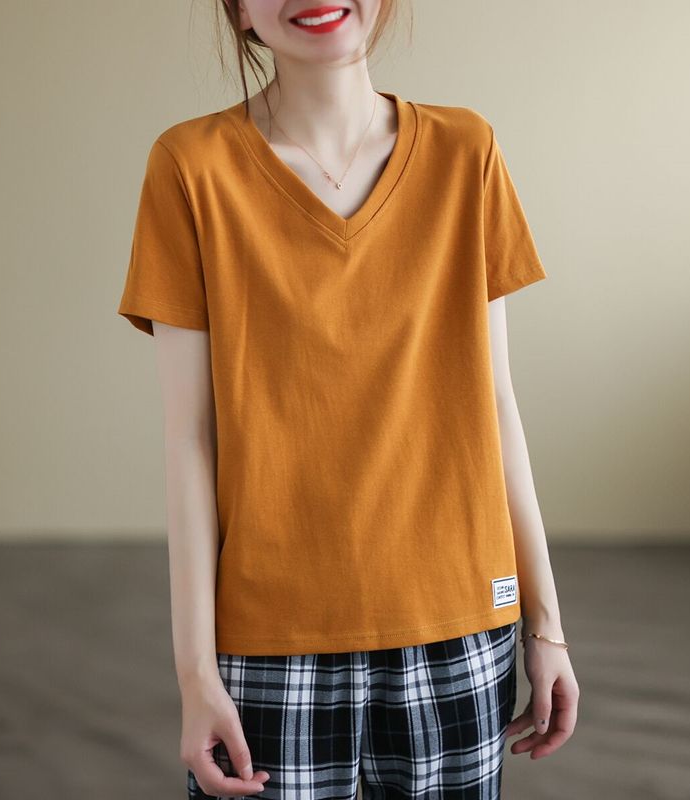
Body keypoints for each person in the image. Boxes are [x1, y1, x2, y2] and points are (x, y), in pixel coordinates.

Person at [117, 1, 579, 797]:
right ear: (239, 10)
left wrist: (548, 626)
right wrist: (196, 674)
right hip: (268, 640)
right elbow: (190, 439)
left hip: (461, 624)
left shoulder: (466, 149)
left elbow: (495, 404)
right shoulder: (190, 167)